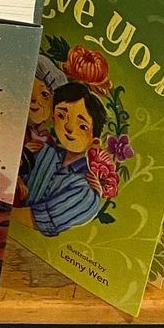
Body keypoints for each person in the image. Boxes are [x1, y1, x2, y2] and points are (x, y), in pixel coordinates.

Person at [17, 80, 106, 236]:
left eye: (82, 126)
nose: (69, 127)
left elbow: (37, 220)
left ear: (95, 142)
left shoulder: (85, 191)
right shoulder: (43, 151)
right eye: (62, 115)